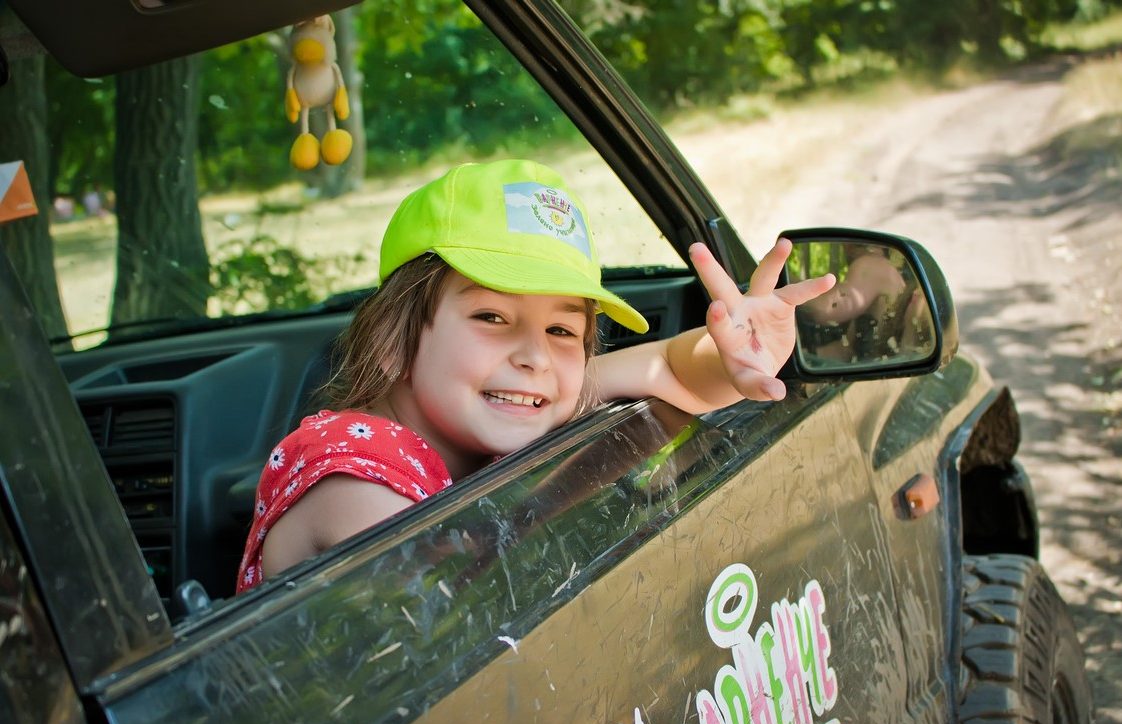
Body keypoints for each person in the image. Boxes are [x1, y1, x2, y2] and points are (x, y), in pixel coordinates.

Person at [236, 159, 835, 592]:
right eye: (491, 317)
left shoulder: (514, 397)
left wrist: (737, 357)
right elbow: (448, 610)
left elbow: (666, 369)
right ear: (395, 336)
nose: (536, 358)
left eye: (562, 330)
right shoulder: (351, 471)